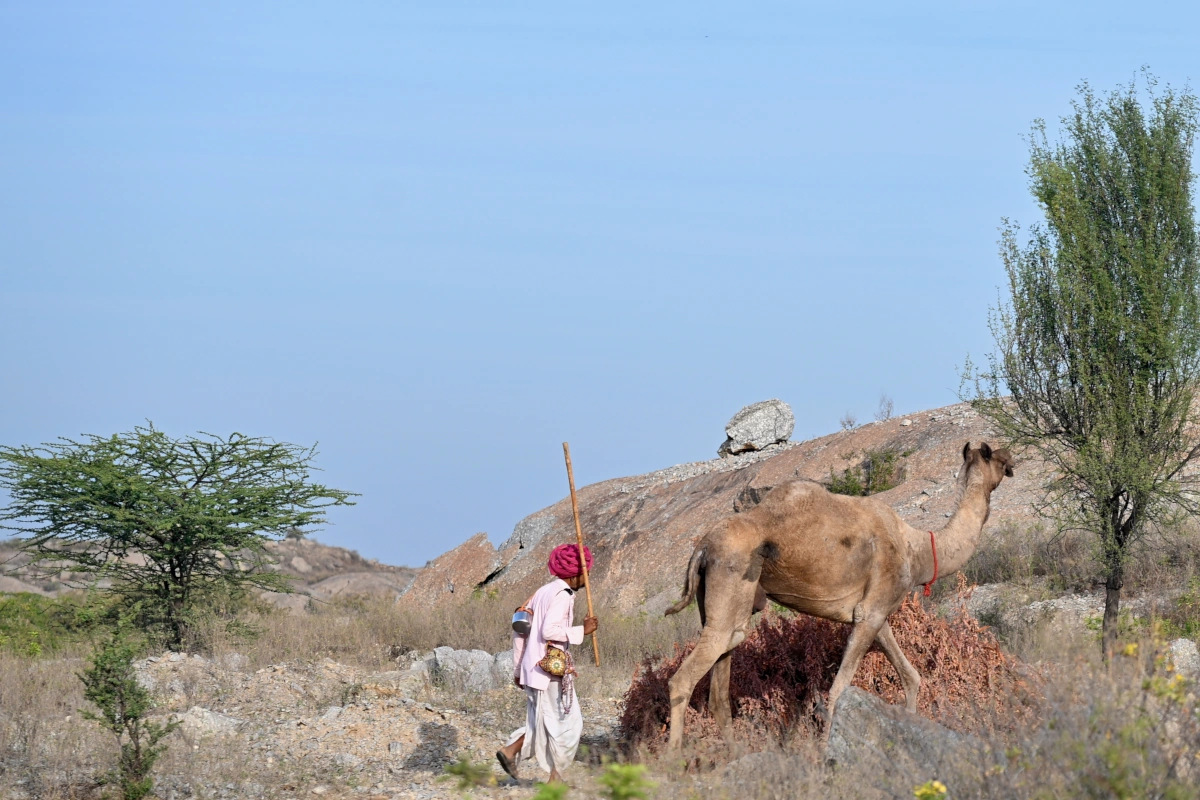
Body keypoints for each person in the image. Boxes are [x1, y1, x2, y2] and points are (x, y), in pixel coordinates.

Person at [496, 543, 599, 784]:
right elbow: (549, 630)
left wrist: (518, 669)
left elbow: (519, 632)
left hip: (532, 669)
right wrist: (582, 630)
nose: (587, 577)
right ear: (575, 573)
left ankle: (515, 753)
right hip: (548, 670)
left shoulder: (540, 592)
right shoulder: (563, 595)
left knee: (542, 721)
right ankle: (552, 778)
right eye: (586, 572)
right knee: (569, 724)